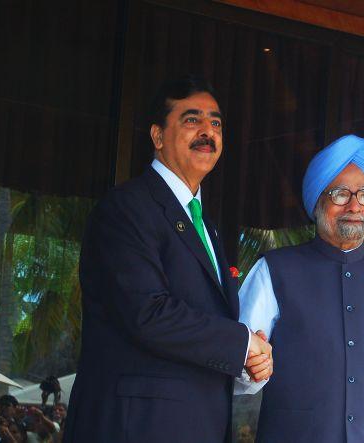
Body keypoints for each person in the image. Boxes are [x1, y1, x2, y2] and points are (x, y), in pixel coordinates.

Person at [63, 75, 272, 442]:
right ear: (158, 137)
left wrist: (248, 362)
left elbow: (205, 325)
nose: (207, 130)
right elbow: (147, 312)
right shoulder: (127, 207)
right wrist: (240, 344)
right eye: (192, 120)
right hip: (135, 427)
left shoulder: (205, 224)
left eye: (216, 123)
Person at [236, 134, 364, 442]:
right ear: (318, 202)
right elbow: (236, 367)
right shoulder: (274, 271)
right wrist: (251, 369)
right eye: (340, 194)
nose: (354, 205)